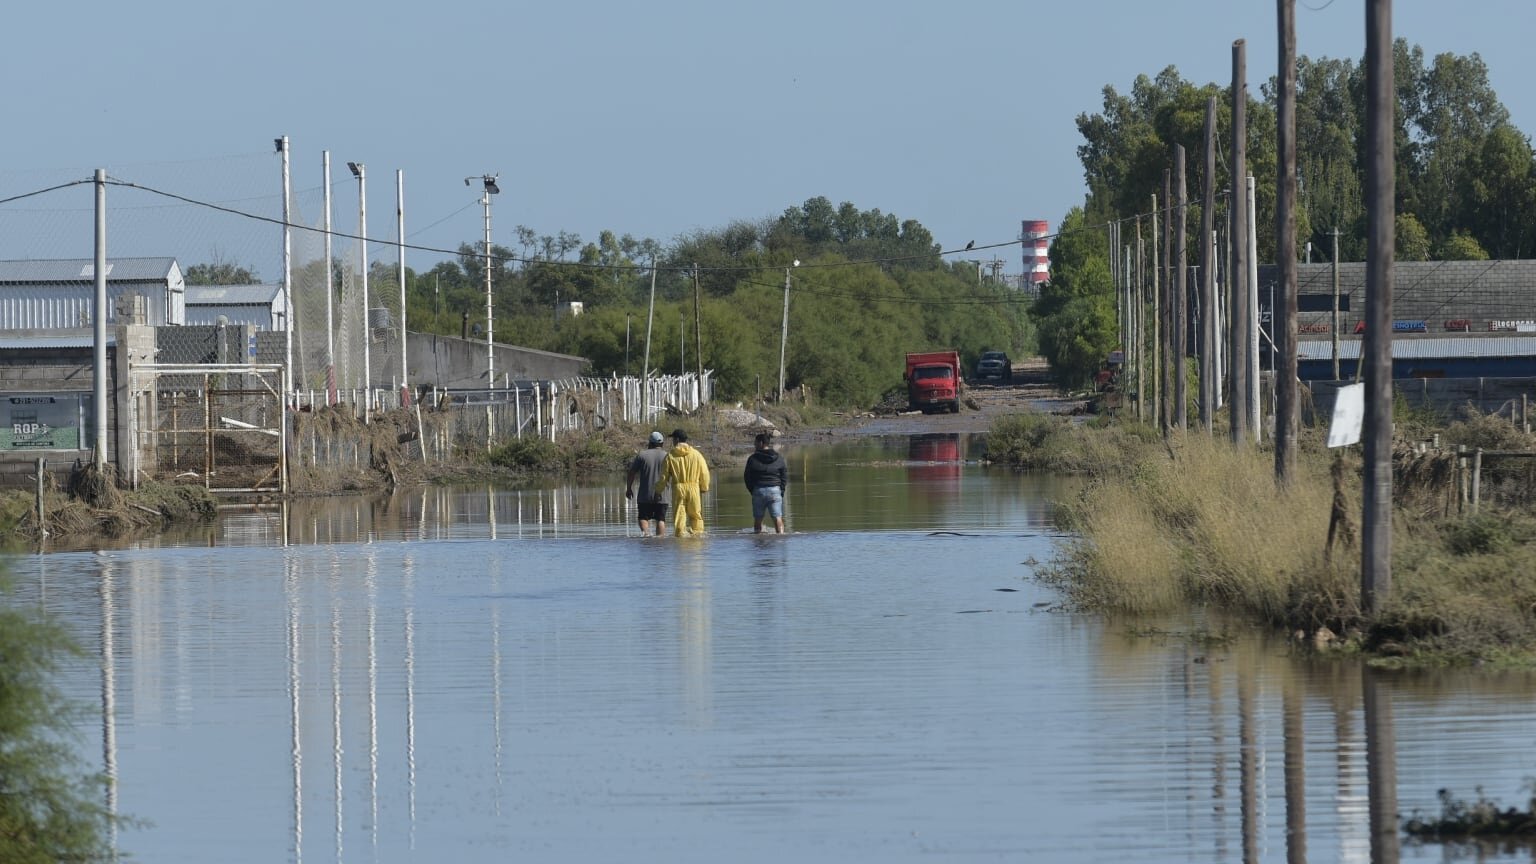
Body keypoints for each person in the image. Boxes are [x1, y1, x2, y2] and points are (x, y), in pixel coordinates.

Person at [658, 428, 710, 535]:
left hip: (678, 489)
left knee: (679, 517)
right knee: (696, 516)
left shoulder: (670, 456)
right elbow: (704, 473)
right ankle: (697, 540)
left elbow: (664, 477)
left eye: (673, 439)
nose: (672, 441)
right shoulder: (696, 454)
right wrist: (704, 487)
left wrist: (658, 490)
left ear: (677, 439)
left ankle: (680, 542)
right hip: (694, 489)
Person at [624, 430, 670, 536]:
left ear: (650, 443)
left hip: (645, 495)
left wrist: (629, 488)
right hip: (663, 495)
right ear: (662, 444)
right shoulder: (668, 456)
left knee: (643, 517)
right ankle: (660, 539)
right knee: (661, 519)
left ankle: (646, 535)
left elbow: (631, 472)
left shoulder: (642, 455)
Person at [743, 431, 787, 534]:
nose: (754, 445)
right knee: (777, 518)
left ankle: (758, 541)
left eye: (755, 443)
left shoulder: (752, 459)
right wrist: (781, 491)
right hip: (775, 490)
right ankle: (780, 538)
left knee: (758, 519)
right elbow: (784, 476)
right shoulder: (779, 458)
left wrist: (753, 490)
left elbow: (747, 477)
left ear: (761, 443)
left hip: (759, 490)